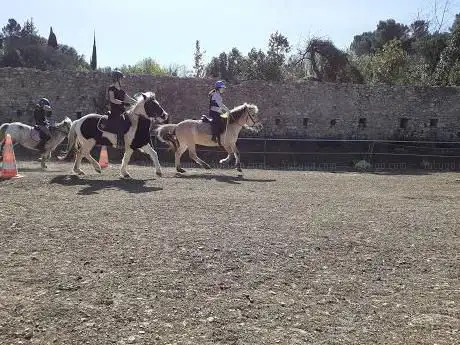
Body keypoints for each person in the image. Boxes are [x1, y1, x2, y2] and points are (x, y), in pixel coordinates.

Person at [107, 70, 136, 147]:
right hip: (115, 111)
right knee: (120, 120)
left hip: (122, 111)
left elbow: (129, 99)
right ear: (116, 79)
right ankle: (119, 141)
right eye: (121, 79)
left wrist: (137, 102)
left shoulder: (122, 91)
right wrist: (123, 103)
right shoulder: (111, 88)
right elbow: (112, 99)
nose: (122, 80)